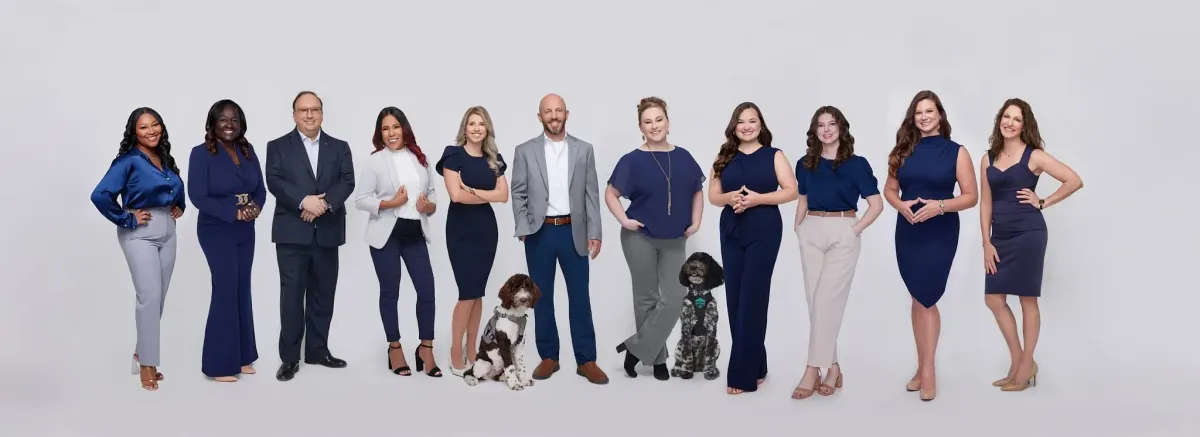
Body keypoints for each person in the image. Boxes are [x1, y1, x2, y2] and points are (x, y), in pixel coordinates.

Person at [979, 98, 1082, 392]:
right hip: (999, 236)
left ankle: (1024, 367)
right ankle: (1019, 360)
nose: (1010, 122)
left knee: (1027, 300)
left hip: (1028, 233)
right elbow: (986, 203)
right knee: (994, 298)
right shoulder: (987, 158)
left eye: (1017, 119)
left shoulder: (1034, 155)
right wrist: (986, 241)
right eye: (1006, 117)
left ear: (1025, 125)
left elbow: (1074, 180)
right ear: (999, 120)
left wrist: (1042, 201)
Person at [884, 90, 978, 401]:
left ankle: (929, 372)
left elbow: (971, 196)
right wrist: (900, 206)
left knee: (927, 299)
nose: (924, 117)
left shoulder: (957, 152)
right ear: (913, 118)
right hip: (909, 230)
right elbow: (890, 189)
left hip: (940, 230)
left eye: (929, 111)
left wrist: (939, 207)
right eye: (919, 112)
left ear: (939, 115)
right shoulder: (902, 151)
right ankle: (922, 366)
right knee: (916, 298)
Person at [510, 93, 609, 385]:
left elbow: (591, 194)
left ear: (567, 114)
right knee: (541, 298)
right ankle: (549, 357)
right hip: (539, 233)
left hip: (573, 231)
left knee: (580, 297)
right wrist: (523, 226)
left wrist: (595, 232)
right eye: (548, 111)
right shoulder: (524, 150)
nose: (554, 116)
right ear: (539, 116)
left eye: (558, 111)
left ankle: (586, 360)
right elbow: (518, 192)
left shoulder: (584, 150)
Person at [606, 97, 705, 381]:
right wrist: (624, 220)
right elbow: (611, 193)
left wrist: (696, 221)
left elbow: (697, 190)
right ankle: (658, 360)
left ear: (668, 122)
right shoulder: (632, 160)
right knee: (646, 298)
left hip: (675, 238)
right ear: (641, 127)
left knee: (675, 296)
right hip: (640, 238)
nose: (654, 126)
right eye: (647, 122)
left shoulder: (684, 157)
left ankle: (635, 348)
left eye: (659, 119)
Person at [90, 107, 186, 391]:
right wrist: (127, 217)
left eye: (155, 125)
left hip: (168, 230)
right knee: (149, 297)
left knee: (158, 299)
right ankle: (147, 364)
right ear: (134, 132)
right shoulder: (128, 160)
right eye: (144, 127)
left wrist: (180, 205)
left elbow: (176, 189)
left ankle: (141, 353)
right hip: (140, 233)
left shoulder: (164, 158)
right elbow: (100, 195)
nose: (151, 131)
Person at [790, 106, 883, 399]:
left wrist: (854, 230)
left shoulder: (857, 165)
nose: (827, 129)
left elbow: (877, 204)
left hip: (844, 228)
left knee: (825, 301)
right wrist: (798, 228)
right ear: (814, 131)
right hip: (811, 229)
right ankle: (833, 367)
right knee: (815, 302)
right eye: (821, 125)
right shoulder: (805, 164)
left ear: (841, 128)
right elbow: (802, 199)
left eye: (832, 124)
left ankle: (811, 369)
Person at [264, 91, 356, 381]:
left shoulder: (339, 147)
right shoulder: (278, 146)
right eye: (303, 110)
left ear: (322, 114)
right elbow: (274, 181)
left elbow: (347, 180)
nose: (309, 114)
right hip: (292, 235)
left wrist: (323, 205)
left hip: (327, 233)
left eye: (314, 109)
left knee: (323, 296)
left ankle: (317, 351)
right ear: (294, 114)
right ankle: (290, 358)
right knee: (291, 298)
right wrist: (304, 201)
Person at [707, 102, 798, 395]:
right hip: (731, 229)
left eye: (752, 121)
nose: (747, 126)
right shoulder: (724, 157)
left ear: (761, 125)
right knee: (735, 298)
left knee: (753, 298)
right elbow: (713, 196)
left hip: (764, 229)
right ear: (734, 126)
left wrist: (758, 199)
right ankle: (757, 365)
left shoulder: (774, 155)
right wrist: (730, 197)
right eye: (741, 121)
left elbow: (792, 191)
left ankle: (742, 376)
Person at [353, 106, 441, 377]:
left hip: (415, 235)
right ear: (380, 133)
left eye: (395, 127)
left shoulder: (420, 158)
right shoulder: (375, 161)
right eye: (385, 129)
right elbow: (360, 199)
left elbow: (432, 195)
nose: (391, 133)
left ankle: (426, 348)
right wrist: (392, 203)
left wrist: (428, 207)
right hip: (386, 237)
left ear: (404, 128)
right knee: (390, 292)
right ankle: (395, 348)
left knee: (427, 291)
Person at [188, 99, 265, 383]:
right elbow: (198, 196)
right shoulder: (200, 154)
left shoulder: (248, 150)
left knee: (242, 288)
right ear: (212, 124)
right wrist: (234, 213)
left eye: (234, 120)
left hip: (246, 229)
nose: (229, 125)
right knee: (225, 289)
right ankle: (219, 364)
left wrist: (255, 207)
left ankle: (242, 357)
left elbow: (260, 189)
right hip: (216, 229)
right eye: (223, 120)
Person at [435, 106, 509, 377]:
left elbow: (504, 196)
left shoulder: (494, 160)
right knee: (467, 293)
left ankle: (472, 349)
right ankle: (455, 349)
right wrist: (487, 194)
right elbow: (456, 196)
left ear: (487, 129)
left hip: (486, 231)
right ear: (464, 128)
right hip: (460, 230)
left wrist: (474, 190)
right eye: (472, 123)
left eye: (481, 124)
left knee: (478, 293)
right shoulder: (452, 155)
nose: (477, 128)